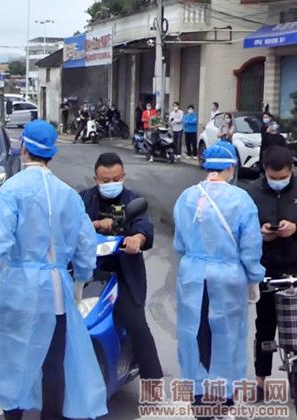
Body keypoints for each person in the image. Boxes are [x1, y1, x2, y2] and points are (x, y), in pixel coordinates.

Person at [0, 120, 107, 420]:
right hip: (57, 291)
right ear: (51, 152)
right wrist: (79, 284)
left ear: (23, 148)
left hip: (18, 288)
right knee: (53, 363)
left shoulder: (10, 191)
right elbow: (86, 244)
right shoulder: (69, 196)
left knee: (14, 360)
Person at [173, 141, 264, 416]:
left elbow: (179, 244)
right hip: (227, 277)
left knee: (194, 334)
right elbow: (250, 246)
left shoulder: (186, 197)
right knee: (227, 338)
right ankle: (223, 399)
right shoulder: (241, 199)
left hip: (192, 274)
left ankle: (199, 397)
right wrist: (255, 276)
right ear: (231, 166)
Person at [80, 153, 164, 383]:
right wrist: (94, 225)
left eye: (115, 179)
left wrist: (137, 238)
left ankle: (153, 382)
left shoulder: (132, 200)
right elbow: (69, 224)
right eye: (104, 181)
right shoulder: (83, 200)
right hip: (89, 273)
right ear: (95, 178)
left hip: (123, 274)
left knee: (136, 324)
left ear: (123, 175)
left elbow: (144, 226)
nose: (110, 184)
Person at [248, 146, 297, 401]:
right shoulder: (252, 192)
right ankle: (259, 381)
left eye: (283, 177)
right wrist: (260, 232)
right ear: (264, 171)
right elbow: (242, 228)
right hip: (266, 268)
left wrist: (295, 228)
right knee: (264, 327)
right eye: (273, 178)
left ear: (291, 171)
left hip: (294, 267)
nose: (278, 182)